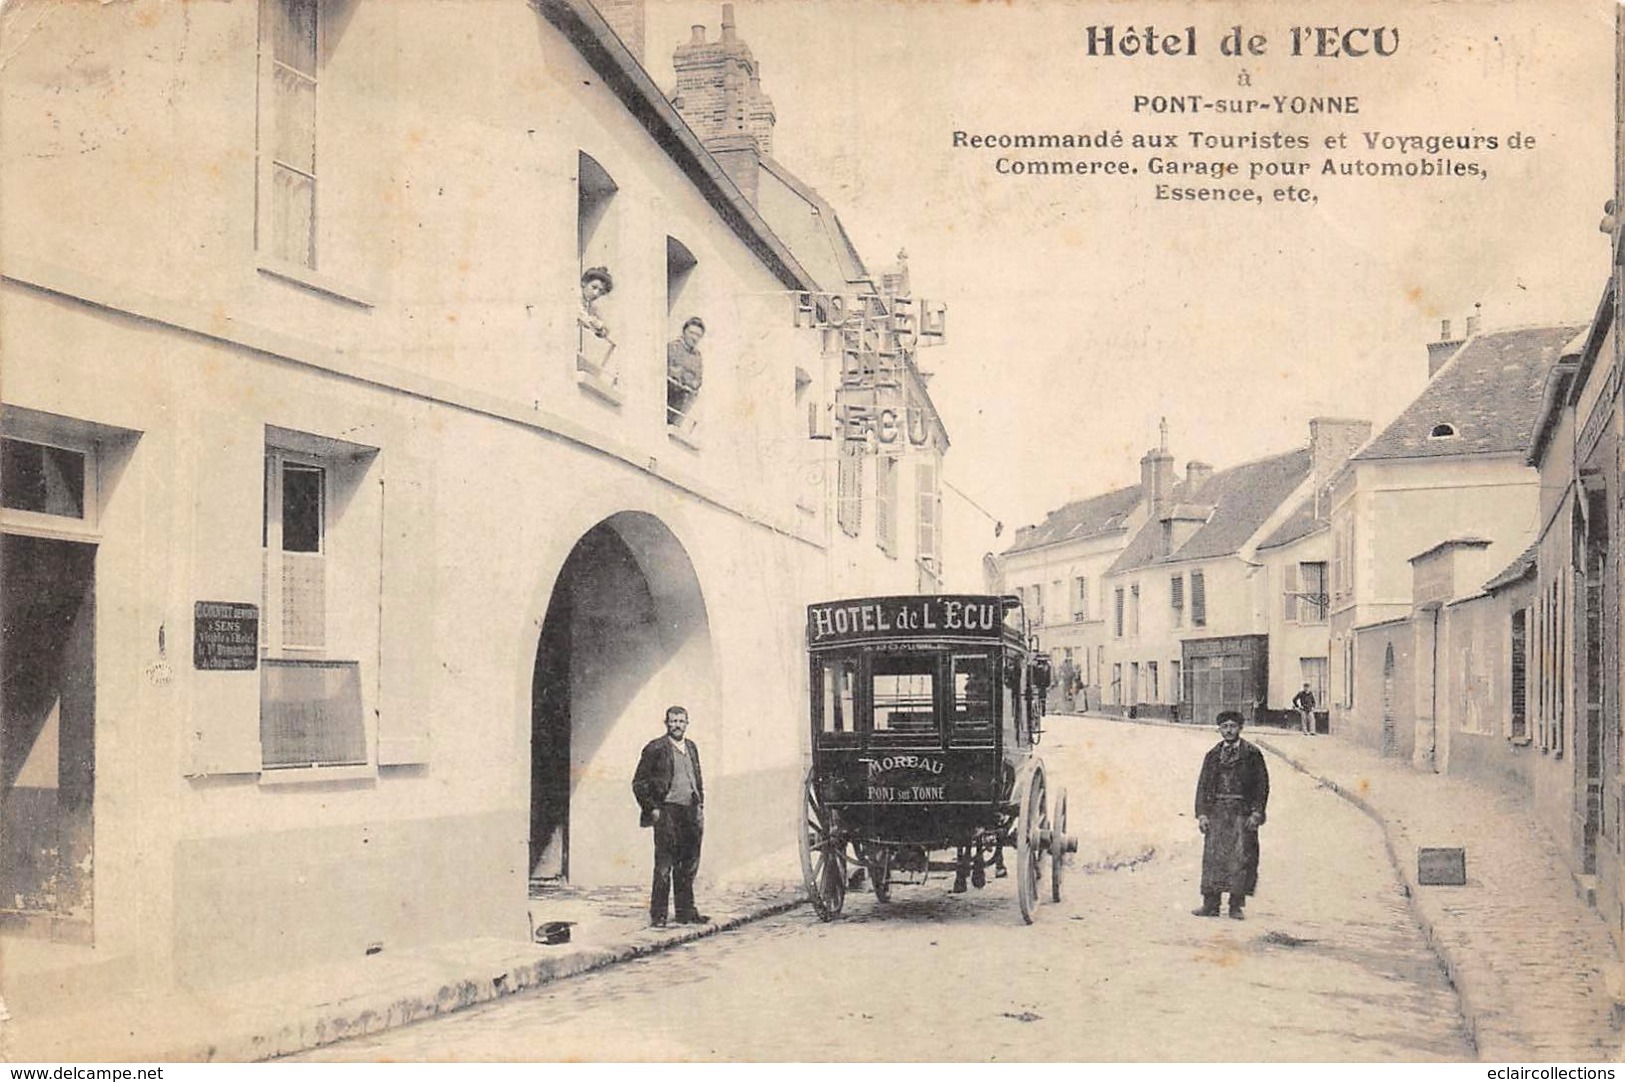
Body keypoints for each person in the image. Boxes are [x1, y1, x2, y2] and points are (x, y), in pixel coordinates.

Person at [632, 705, 709, 929]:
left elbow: (697, 775)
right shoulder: (656, 748)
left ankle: (686, 912)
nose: (677, 725)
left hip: (690, 811)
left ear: (687, 723)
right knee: (664, 865)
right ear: (666, 723)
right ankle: (659, 915)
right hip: (667, 811)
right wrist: (652, 808)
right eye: (673, 721)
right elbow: (639, 783)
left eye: (681, 721)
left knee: (688, 864)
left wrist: (700, 802)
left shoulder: (691, 747)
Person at [1193, 710, 1270, 920]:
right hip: (1217, 813)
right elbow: (1203, 786)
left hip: (1241, 814)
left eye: (1233, 726)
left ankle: (1236, 905)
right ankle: (1211, 904)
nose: (1228, 730)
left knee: (1240, 858)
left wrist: (1256, 812)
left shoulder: (1252, 754)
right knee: (1214, 858)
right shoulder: (1212, 755)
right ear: (1219, 729)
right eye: (1224, 726)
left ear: (1240, 728)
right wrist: (1202, 814)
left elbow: (1261, 786)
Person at [666, 317, 705, 426]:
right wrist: (683, 376)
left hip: (680, 406)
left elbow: (697, 381)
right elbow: (670, 372)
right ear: (684, 332)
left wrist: (684, 378)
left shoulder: (697, 357)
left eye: (698, 335)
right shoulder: (672, 348)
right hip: (665, 398)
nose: (694, 338)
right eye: (692, 333)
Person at [579, 266, 614, 340]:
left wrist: (602, 329)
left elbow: (604, 327)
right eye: (594, 287)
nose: (596, 293)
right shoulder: (575, 299)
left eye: (601, 291)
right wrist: (596, 324)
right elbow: (582, 317)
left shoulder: (591, 306)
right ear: (584, 283)